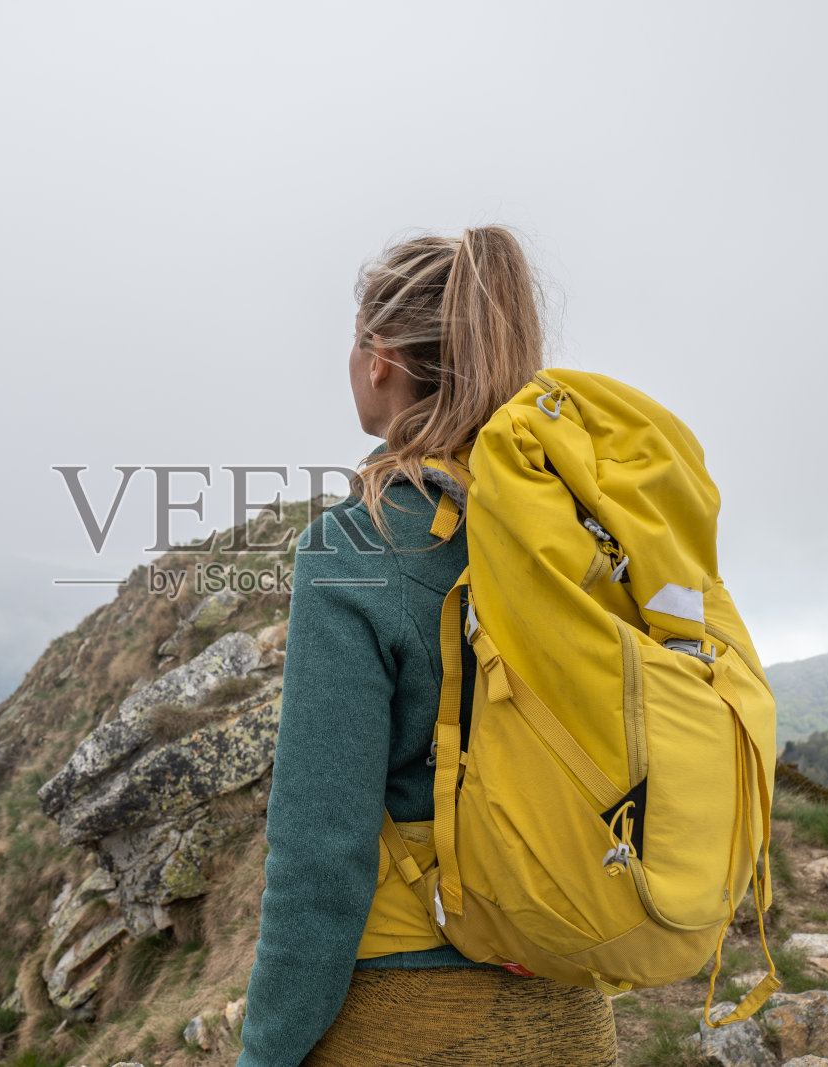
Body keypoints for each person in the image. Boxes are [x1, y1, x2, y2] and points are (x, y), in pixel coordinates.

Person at [236, 227, 619, 1067]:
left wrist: (264, 1054)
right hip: (576, 1015)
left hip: (409, 1019)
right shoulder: (584, 533)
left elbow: (319, 857)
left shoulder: (356, 547)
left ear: (379, 358)